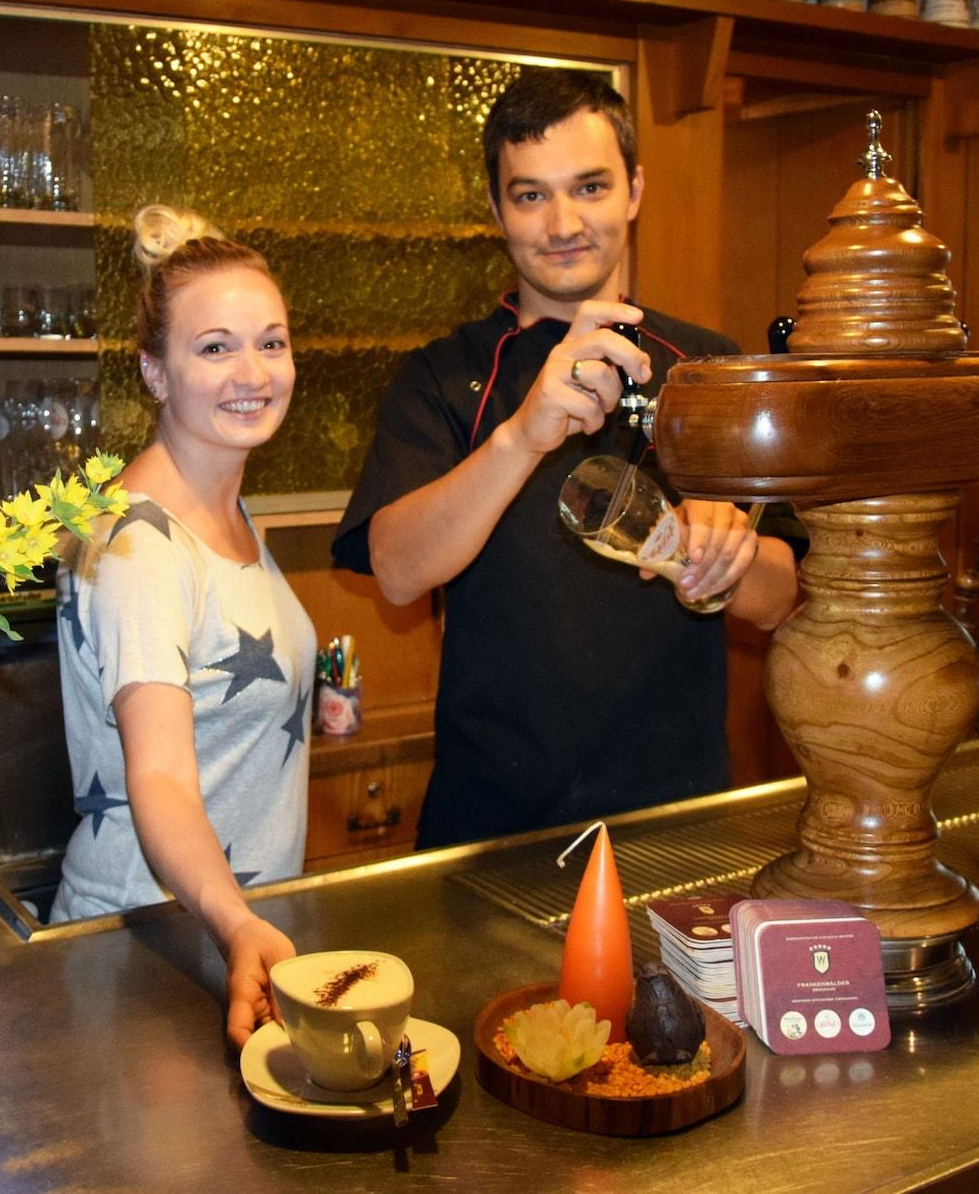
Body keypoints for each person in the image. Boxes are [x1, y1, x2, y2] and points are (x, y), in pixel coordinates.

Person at [332, 68, 798, 849]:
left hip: (679, 817)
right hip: (490, 828)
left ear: (634, 190)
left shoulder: (709, 365)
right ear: (494, 207)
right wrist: (522, 433)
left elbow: (781, 596)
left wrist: (726, 557)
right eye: (530, 195)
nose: (562, 221)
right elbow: (397, 569)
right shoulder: (446, 376)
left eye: (589, 187)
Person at [51, 205, 312, 1047]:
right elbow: (159, 773)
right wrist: (236, 924)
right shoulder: (141, 542)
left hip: (226, 941)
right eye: (214, 347)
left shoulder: (225, 514)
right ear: (155, 374)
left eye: (271, 342)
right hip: (148, 951)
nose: (253, 370)